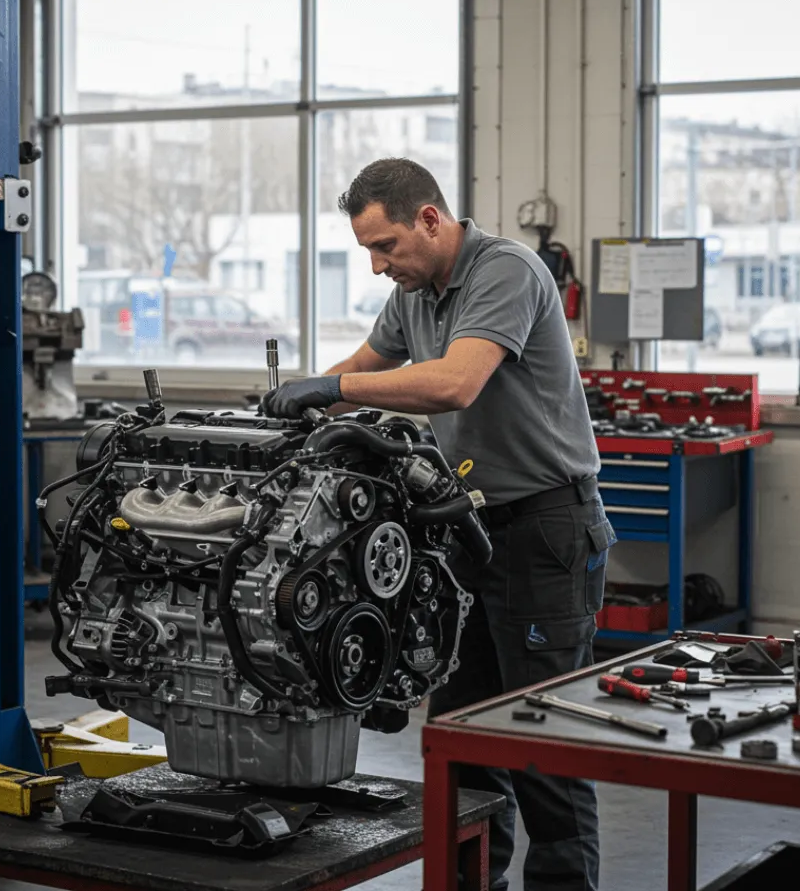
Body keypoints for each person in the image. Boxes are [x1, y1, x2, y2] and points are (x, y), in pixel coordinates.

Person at [261, 157, 614, 891]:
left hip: (545, 529)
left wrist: (334, 387)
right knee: (463, 732)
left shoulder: (506, 270)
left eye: (385, 247)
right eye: (367, 251)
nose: (378, 265)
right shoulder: (413, 291)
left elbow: (455, 382)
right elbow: (364, 367)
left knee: (547, 740)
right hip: (467, 532)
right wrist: (295, 414)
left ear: (429, 219)